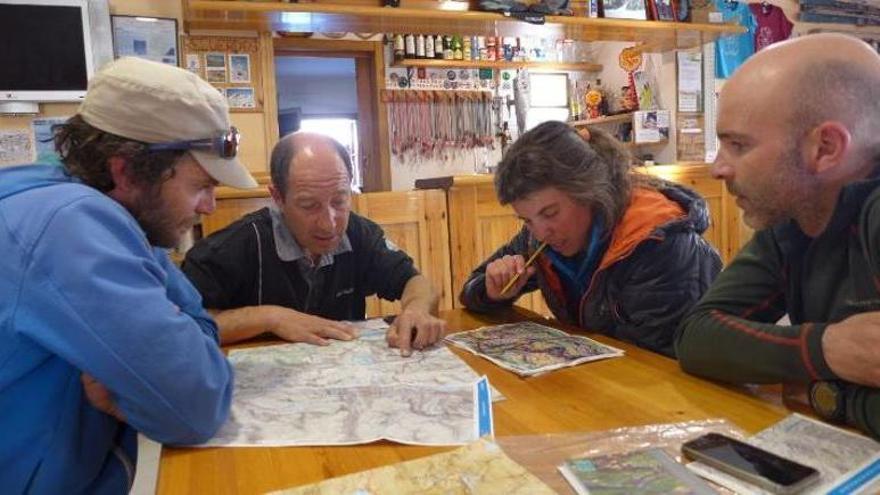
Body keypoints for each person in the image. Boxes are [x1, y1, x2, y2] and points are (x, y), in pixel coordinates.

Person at [0, 57, 257, 492]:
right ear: (127, 170)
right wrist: (152, 390)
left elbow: (202, 330)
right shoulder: (68, 223)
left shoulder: (110, 213)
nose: (210, 207)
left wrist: (143, 385)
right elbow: (197, 404)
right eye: (200, 186)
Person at [676, 33, 880, 439]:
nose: (718, 168)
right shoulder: (794, 215)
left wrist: (822, 394)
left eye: (737, 145)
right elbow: (697, 336)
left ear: (825, 148)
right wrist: (827, 349)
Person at [459, 121, 722, 357]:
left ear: (588, 191)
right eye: (526, 220)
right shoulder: (541, 238)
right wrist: (491, 290)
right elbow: (470, 290)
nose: (540, 233)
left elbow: (654, 365)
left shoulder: (656, 241)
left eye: (550, 213)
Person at [182, 132, 446, 356]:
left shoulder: (359, 233)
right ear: (278, 197)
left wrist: (417, 309)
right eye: (309, 205)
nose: (329, 224)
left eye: (340, 201)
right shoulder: (235, 246)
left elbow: (417, 283)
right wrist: (269, 317)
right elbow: (183, 324)